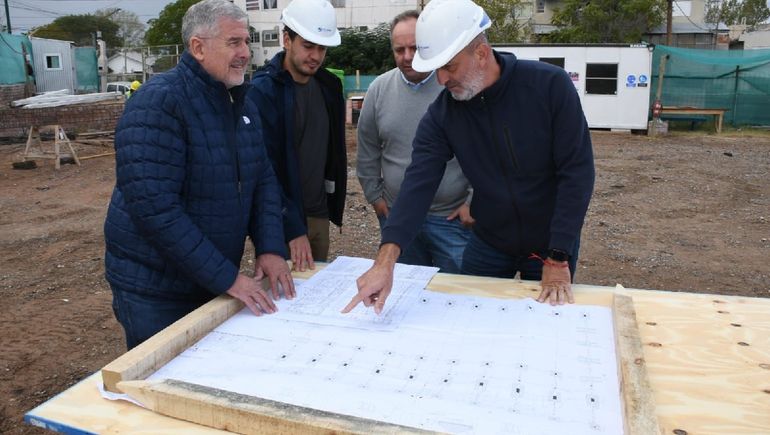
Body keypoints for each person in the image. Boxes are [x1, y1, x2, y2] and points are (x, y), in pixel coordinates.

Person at [343, 0, 595, 314]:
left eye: (449, 67)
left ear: (481, 53)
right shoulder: (443, 114)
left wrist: (558, 255)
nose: (441, 80)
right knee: (469, 316)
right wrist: (385, 261)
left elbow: (577, 172)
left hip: (549, 243)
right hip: (489, 241)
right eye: (436, 69)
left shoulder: (549, 86)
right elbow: (418, 184)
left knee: (546, 320)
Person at [104, 0, 294, 350]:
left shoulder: (240, 102)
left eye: (246, 41)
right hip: (157, 291)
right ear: (198, 47)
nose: (245, 52)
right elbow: (155, 209)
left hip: (206, 281)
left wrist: (270, 247)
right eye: (234, 42)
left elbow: (262, 179)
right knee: (161, 374)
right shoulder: (159, 103)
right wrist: (227, 278)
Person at [356, 10, 474, 274]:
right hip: (397, 216)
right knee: (405, 289)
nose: (407, 56)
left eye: (415, 48)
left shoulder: (455, 86)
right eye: (399, 50)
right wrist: (375, 197)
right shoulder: (378, 90)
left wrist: (472, 201)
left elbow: (483, 149)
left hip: (451, 218)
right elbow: (367, 149)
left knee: (456, 291)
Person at [250, 0, 347, 272]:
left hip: (319, 214)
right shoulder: (263, 92)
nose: (315, 55)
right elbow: (263, 169)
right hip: (279, 219)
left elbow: (333, 152)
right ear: (286, 40)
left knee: (317, 289)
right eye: (308, 46)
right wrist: (291, 226)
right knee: (283, 291)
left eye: (322, 48)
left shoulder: (329, 86)